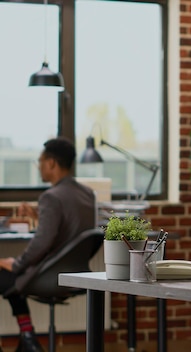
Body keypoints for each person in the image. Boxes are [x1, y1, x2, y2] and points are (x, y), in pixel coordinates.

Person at [0, 137, 96, 352]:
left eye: (40, 161)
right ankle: (27, 338)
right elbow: (67, 230)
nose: (39, 166)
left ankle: (28, 337)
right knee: (10, 281)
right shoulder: (87, 194)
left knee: (5, 276)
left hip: (50, 276)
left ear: (51, 162)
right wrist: (37, 215)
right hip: (77, 274)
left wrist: (15, 264)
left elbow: (41, 244)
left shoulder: (50, 197)